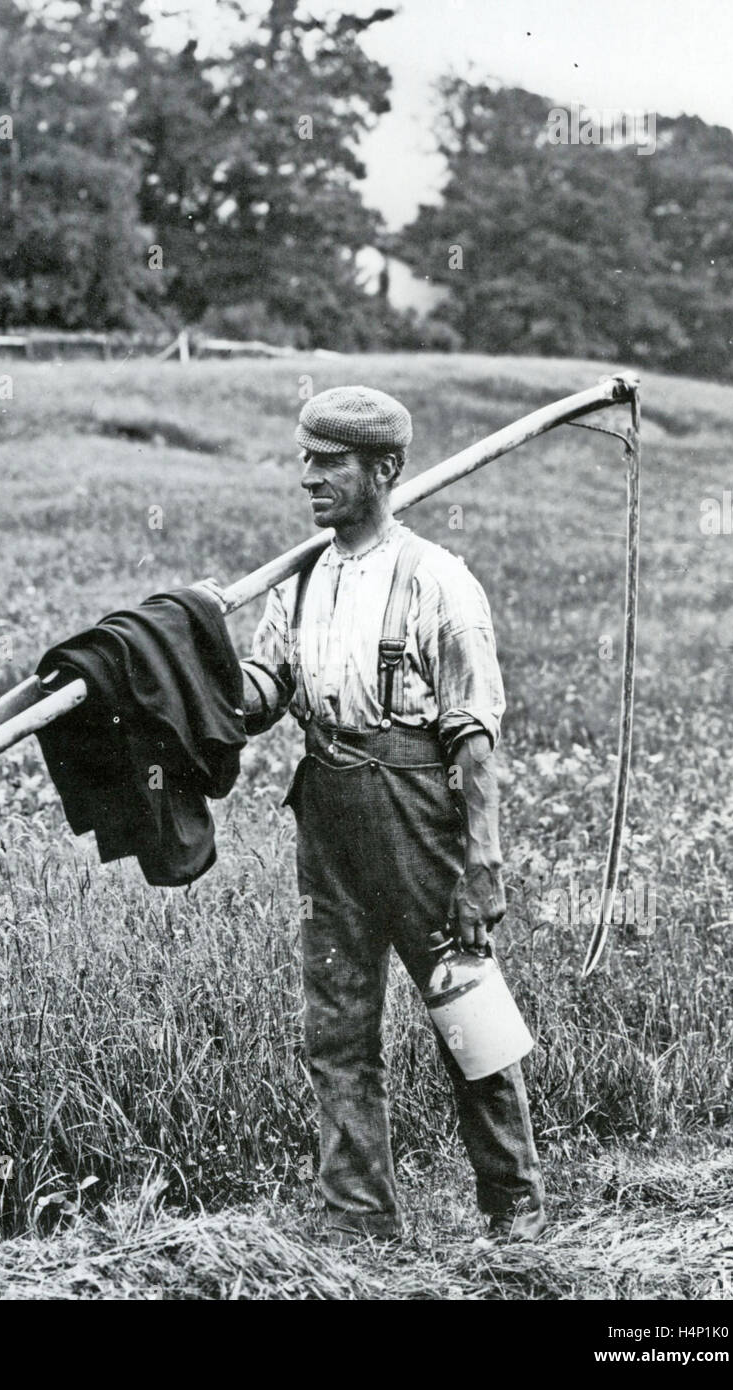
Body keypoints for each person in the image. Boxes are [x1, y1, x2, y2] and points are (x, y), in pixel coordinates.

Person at [202, 385, 545, 1247]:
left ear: (384, 470)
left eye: (329, 463)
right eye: (304, 459)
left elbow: (473, 741)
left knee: (467, 1015)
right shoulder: (301, 577)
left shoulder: (438, 581)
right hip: (327, 811)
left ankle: (515, 1208)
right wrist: (190, 651)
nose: (308, 478)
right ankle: (357, 1218)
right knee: (337, 1025)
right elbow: (262, 694)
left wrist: (482, 865)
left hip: (418, 814)